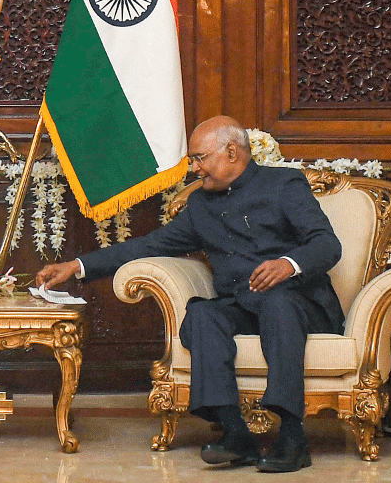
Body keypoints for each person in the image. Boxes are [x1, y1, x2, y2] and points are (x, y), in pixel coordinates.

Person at [35, 116, 343, 473]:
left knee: (278, 302)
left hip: (300, 304)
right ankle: (235, 433)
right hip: (244, 305)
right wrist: (76, 265)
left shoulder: (283, 185)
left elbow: (327, 244)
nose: (194, 169)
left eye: (200, 158)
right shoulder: (200, 206)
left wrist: (289, 263)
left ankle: (293, 436)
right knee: (203, 314)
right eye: (192, 161)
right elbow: (149, 245)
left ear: (231, 152)